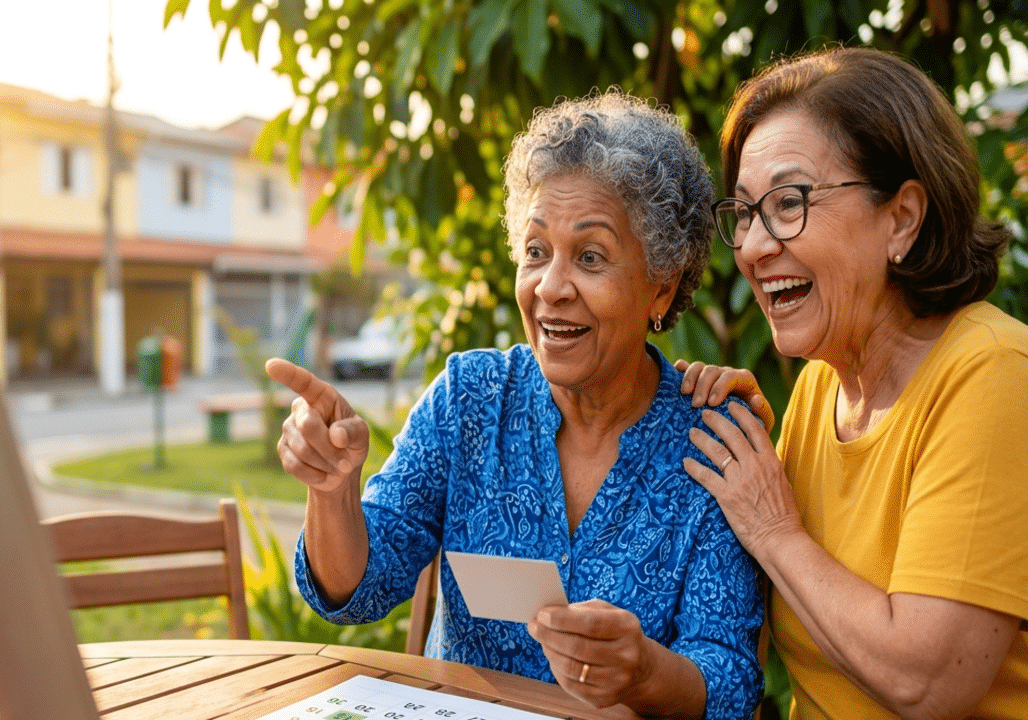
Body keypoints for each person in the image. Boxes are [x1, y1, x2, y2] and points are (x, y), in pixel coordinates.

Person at [265, 91, 764, 720]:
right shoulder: (468, 400)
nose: (551, 287)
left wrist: (641, 671)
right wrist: (333, 490)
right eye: (535, 252)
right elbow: (356, 590)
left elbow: (731, 683)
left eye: (590, 256)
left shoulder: (713, 441)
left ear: (661, 285)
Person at [679, 46, 1028, 720]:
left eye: (788, 203)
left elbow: (927, 682)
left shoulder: (993, 373)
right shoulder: (818, 389)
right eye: (745, 213)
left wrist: (774, 527)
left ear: (902, 218)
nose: (751, 247)